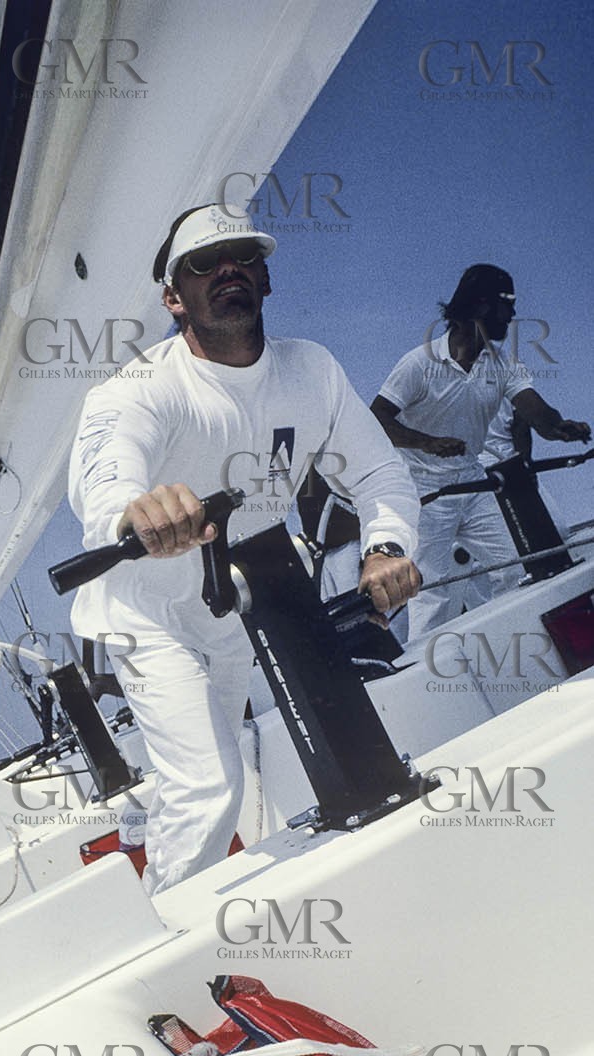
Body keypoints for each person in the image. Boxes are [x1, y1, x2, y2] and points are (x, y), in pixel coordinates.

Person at [67, 202, 421, 896]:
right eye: (202, 263)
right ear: (173, 297)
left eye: (243, 258)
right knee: (209, 787)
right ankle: (165, 945)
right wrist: (133, 513)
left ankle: (146, 825)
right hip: (146, 616)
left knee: (221, 762)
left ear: (264, 280)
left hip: (236, 608)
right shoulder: (138, 389)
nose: (226, 269)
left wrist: (385, 545)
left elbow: (378, 472)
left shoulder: (310, 370)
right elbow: (102, 486)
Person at [371, 264, 590, 637]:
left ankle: (522, 648)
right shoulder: (419, 363)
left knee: (521, 564)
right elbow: (376, 419)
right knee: (435, 594)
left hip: (473, 484)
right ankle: (430, 681)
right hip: (426, 494)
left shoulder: (504, 365)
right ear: (481, 307)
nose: (514, 314)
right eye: (509, 304)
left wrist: (560, 427)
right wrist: (427, 443)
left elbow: (537, 413)